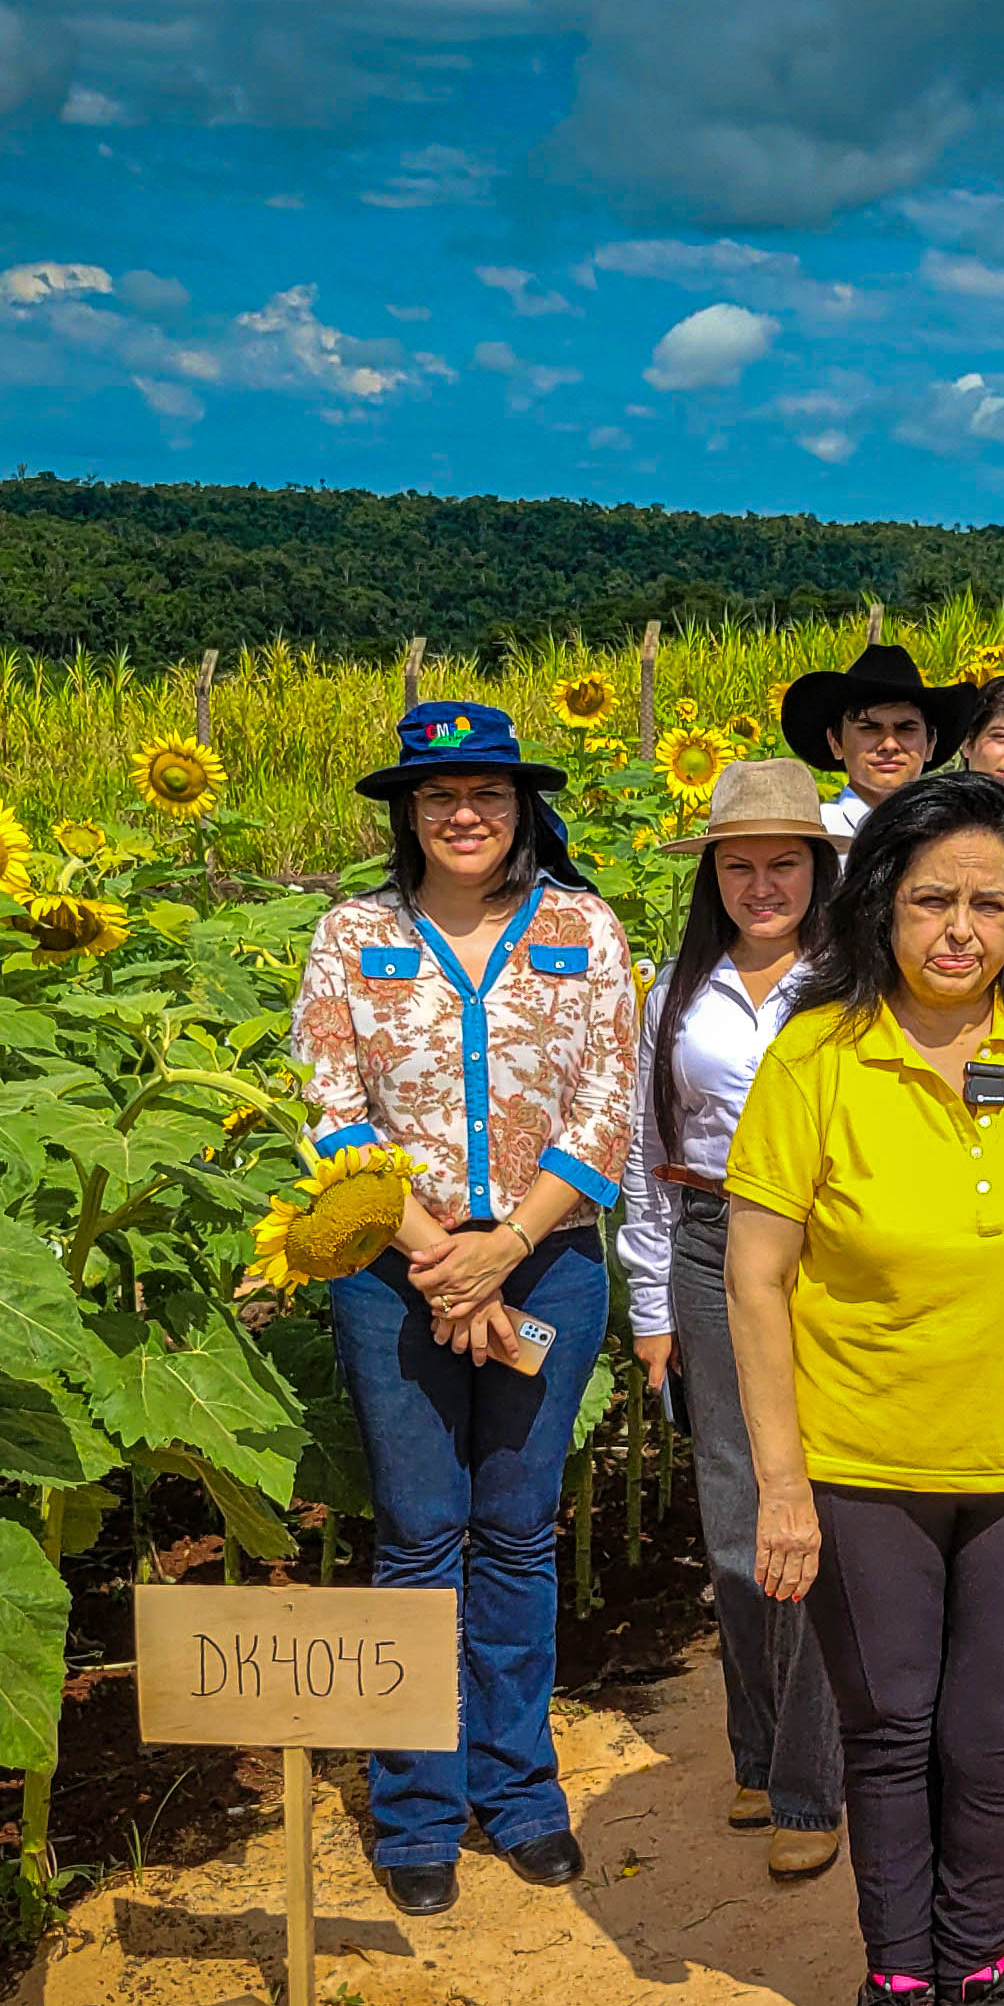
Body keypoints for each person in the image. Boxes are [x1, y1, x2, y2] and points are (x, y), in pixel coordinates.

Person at [725, 771, 1004, 2006]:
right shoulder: (818, 1051)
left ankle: (976, 1973)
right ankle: (894, 1981)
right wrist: (782, 1482)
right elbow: (754, 1272)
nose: (957, 929)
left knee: (1001, 1726)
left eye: (987, 902)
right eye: (930, 900)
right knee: (892, 1726)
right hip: (865, 1467)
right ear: (883, 907)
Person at [291, 702, 637, 1916]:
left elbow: (608, 1105)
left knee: (518, 1529)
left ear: (522, 806)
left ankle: (520, 1790)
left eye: (487, 793)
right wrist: (441, 1255)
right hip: (399, 1270)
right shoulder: (351, 935)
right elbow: (331, 1104)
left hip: (551, 1264)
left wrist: (507, 1252)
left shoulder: (584, 928)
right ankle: (418, 1808)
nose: (464, 814)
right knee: (420, 1536)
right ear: (407, 813)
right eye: (438, 797)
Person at [625, 757, 845, 1886]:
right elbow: (644, 1156)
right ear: (716, 876)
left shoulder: (856, 983)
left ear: (820, 870)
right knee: (734, 1519)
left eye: (786, 863)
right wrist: (652, 1304)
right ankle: (758, 1751)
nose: (765, 884)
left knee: (822, 1509)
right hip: (712, 1247)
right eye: (743, 865)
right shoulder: (676, 992)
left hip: (833, 1253)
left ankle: (814, 1779)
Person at [783, 643, 980, 837]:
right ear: (835, 742)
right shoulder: (812, 833)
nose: (889, 745)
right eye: (869, 728)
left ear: (930, 744)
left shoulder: (952, 837)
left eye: (906, 728)